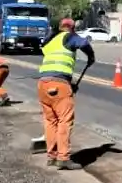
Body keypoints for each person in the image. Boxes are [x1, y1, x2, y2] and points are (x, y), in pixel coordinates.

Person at [37, 18, 95, 170]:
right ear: (72, 28)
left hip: (43, 84)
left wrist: (69, 84)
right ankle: (63, 158)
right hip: (59, 84)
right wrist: (91, 56)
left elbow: (55, 64)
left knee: (50, 121)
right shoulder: (69, 36)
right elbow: (84, 44)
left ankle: (52, 156)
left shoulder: (50, 40)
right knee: (64, 121)